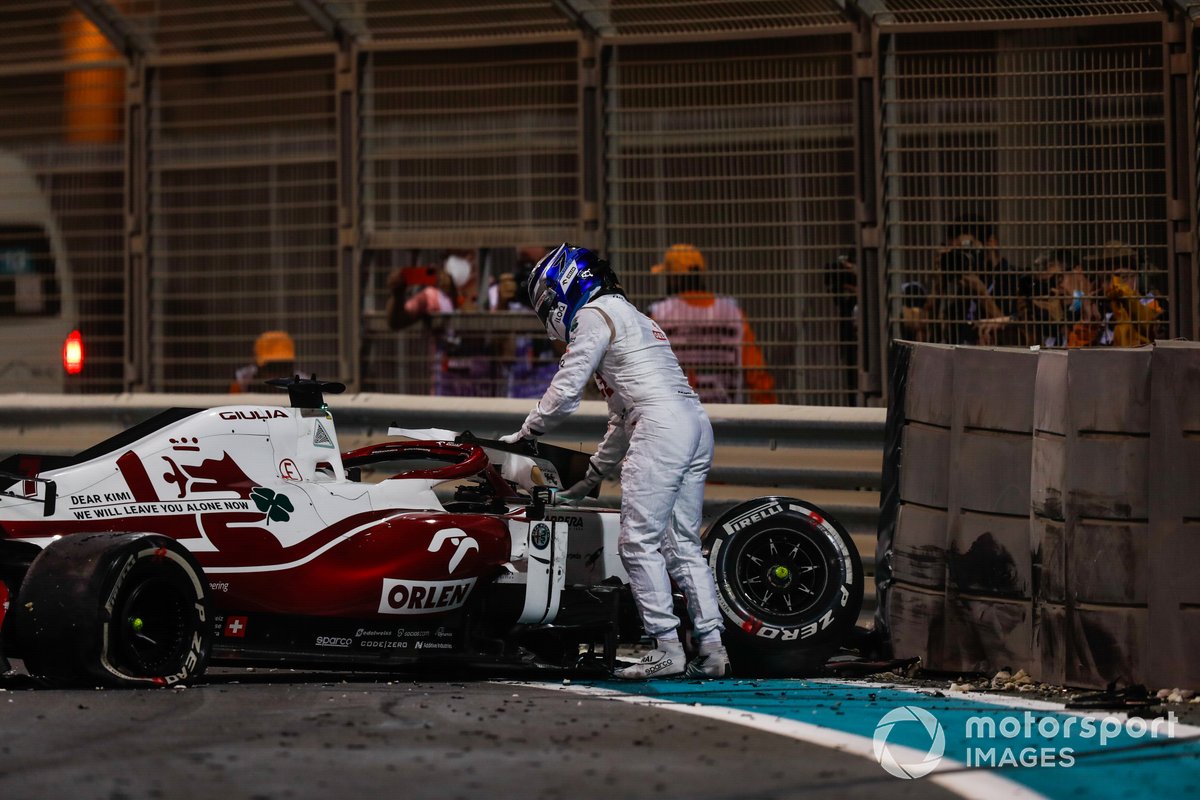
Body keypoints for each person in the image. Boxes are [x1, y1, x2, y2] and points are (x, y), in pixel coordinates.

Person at [500, 243, 730, 679]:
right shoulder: (634, 317)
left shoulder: (592, 316)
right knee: (681, 544)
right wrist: (590, 480)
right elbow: (621, 418)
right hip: (694, 423)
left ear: (566, 285)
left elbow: (566, 393)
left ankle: (667, 648)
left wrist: (526, 433)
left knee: (637, 541)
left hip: (660, 425)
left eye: (547, 301)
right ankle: (713, 649)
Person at [647, 244, 776, 404]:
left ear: (673, 278)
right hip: (726, 416)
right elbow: (756, 373)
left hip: (678, 418)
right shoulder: (732, 312)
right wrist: (770, 410)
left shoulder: (659, 313)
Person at [386, 250, 495, 395]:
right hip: (444, 390)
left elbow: (480, 330)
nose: (453, 262)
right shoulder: (433, 296)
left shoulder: (491, 292)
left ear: (474, 258)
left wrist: (455, 297)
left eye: (461, 255)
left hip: (483, 391)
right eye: (448, 256)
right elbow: (396, 322)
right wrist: (397, 294)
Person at [230, 330, 299, 393]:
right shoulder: (242, 381)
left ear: (291, 367)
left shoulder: (302, 383)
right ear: (258, 366)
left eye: (283, 366)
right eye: (271, 367)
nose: (277, 375)